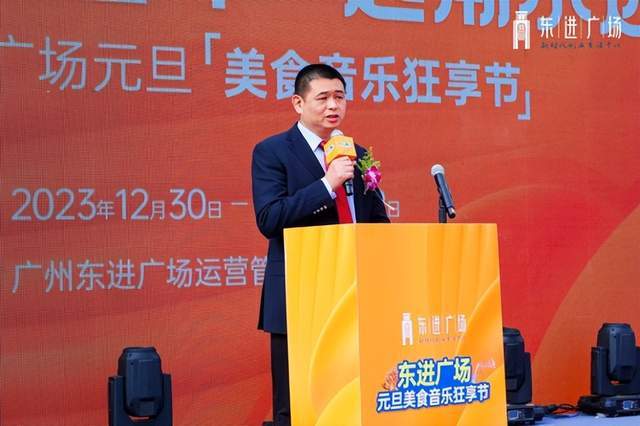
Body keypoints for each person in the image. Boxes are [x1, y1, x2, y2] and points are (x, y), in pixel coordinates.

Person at [251, 64, 390, 426]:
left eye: (339, 97)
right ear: (298, 103)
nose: (333, 105)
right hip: (301, 296)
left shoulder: (357, 153)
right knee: (297, 405)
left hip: (355, 293)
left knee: (354, 398)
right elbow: (269, 218)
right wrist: (328, 185)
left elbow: (376, 220)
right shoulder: (272, 151)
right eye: (323, 97)